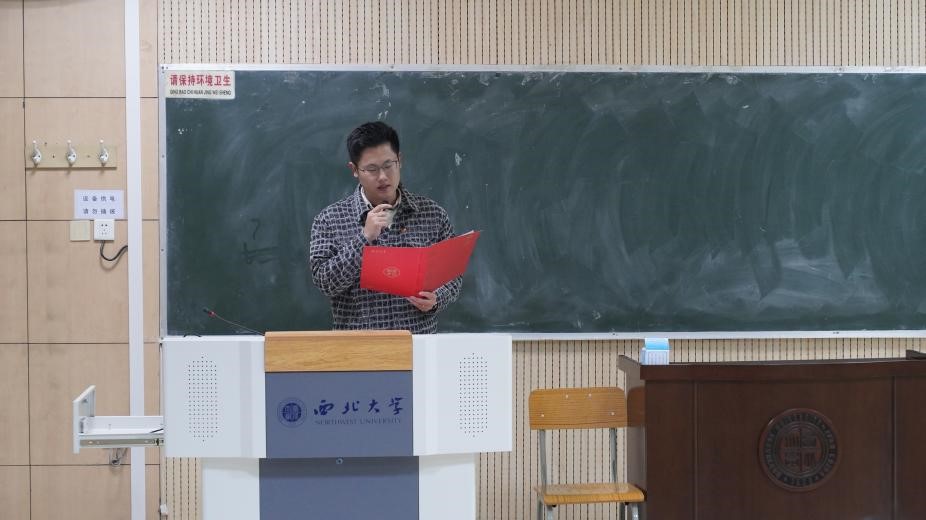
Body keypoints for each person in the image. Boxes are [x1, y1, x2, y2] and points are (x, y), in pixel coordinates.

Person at [309, 121, 462, 333]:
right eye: (372, 169)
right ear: (354, 170)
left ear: (400, 160)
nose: (382, 176)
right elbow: (325, 283)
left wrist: (437, 299)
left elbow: (452, 274)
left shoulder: (432, 214)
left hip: (417, 342)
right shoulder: (329, 219)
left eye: (388, 165)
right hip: (358, 346)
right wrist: (364, 239)